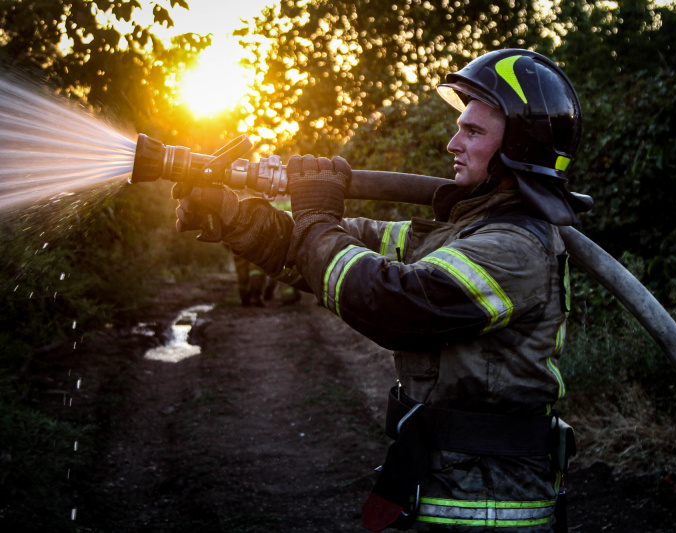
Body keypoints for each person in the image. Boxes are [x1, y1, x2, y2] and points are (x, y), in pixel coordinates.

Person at [173, 49, 592, 532]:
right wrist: (232, 216)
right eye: (461, 125)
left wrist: (315, 217)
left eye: (473, 131)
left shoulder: (514, 247)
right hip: (448, 481)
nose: (453, 143)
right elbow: (337, 250)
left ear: (519, 150)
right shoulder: (462, 232)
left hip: (489, 506)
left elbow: (393, 305)